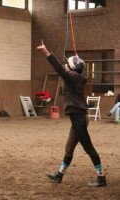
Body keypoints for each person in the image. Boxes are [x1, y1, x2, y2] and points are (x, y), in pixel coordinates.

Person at [37, 40, 106, 187]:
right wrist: (76, 60)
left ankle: (101, 178)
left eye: (67, 64)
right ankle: (59, 175)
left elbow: (59, 69)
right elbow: (68, 70)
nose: (65, 65)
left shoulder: (73, 77)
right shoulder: (77, 76)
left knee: (88, 147)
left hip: (79, 119)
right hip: (79, 117)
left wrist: (46, 52)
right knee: (69, 147)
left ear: (72, 68)